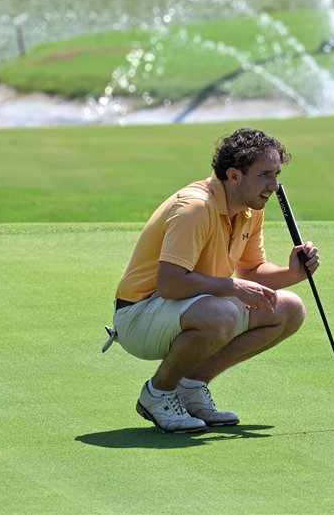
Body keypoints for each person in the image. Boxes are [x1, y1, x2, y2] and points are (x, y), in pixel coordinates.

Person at [104, 128, 317, 433]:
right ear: (234, 175)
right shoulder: (195, 207)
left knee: (288, 309)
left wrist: (292, 273)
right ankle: (158, 393)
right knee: (223, 312)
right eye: (265, 175)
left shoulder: (249, 209)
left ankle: (191, 386)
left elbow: (251, 272)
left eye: (277, 174)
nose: (274, 185)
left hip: (188, 307)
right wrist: (230, 287)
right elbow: (170, 284)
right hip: (139, 315)